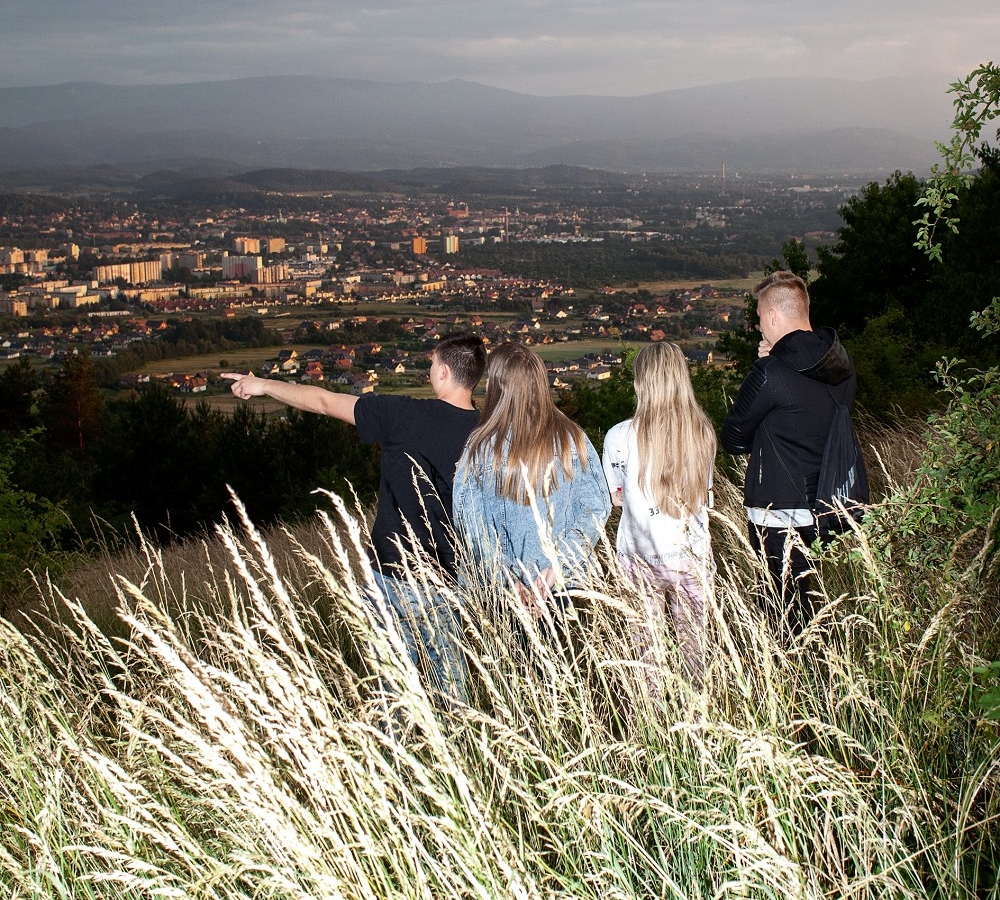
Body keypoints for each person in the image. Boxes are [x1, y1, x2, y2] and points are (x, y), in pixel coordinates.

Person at [222, 331, 486, 701]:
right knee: (450, 684)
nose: (429, 371)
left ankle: (394, 753)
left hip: (391, 575)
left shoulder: (401, 415)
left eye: (430, 365)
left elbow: (324, 401)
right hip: (451, 578)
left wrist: (262, 385)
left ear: (443, 371)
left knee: (392, 688)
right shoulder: (490, 434)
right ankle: (458, 751)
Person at [720, 271, 861, 636]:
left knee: (779, 609)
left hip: (777, 511)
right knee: (816, 601)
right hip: (830, 504)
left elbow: (733, 438)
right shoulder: (842, 366)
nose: (759, 328)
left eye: (759, 319)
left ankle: (789, 679)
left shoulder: (770, 372)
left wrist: (765, 367)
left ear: (772, 317)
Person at [453, 342, 611, 617]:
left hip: (499, 590)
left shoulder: (479, 447)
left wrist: (509, 579)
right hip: (559, 586)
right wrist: (557, 565)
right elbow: (596, 509)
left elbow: (470, 526)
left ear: (497, 387)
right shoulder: (572, 438)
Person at [602, 342, 716, 686]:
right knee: (694, 653)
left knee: (645, 656)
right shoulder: (702, 433)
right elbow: (704, 497)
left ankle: (650, 726)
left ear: (641, 383)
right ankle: (698, 722)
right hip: (691, 556)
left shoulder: (619, 436)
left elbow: (617, 498)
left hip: (639, 556)